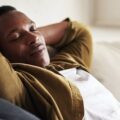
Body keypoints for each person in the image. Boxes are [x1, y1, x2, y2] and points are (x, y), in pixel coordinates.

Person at [0, 5, 120, 120]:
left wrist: (36, 36)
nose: (34, 37)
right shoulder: (21, 86)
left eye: (33, 28)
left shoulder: (66, 60)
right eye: (15, 37)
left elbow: (81, 32)